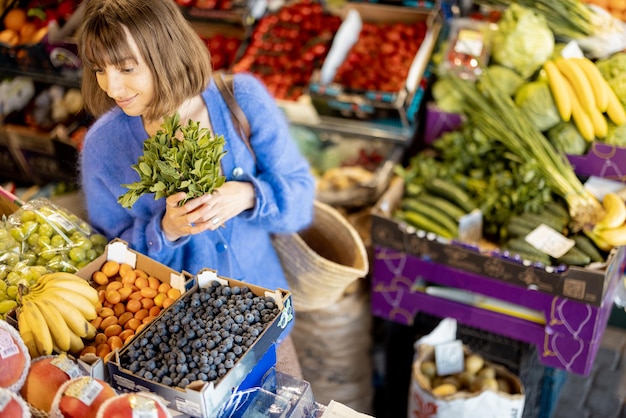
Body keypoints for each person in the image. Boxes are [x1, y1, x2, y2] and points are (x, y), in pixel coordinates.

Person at [76, 0, 315, 358]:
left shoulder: (242, 100)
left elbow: (300, 201)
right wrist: (166, 229)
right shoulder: (103, 146)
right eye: (99, 70)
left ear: (166, 52)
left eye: (126, 68)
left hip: (267, 322)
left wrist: (248, 195)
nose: (112, 87)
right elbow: (109, 262)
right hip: (176, 343)